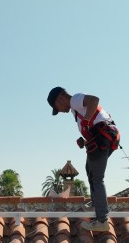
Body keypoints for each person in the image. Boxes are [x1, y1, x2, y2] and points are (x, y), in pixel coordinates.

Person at [46, 86, 121, 232]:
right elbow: (94, 123)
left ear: (61, 98)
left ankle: (102, 219)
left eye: (57, 107)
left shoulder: (75, 100)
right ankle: (96, 203)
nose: (60, 111)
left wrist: (86, 122)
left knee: (97, 177)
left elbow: (94, 100)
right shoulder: (76, 110)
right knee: (90, 170)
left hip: (103, 137)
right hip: (104, 137)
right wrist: (85, 141)